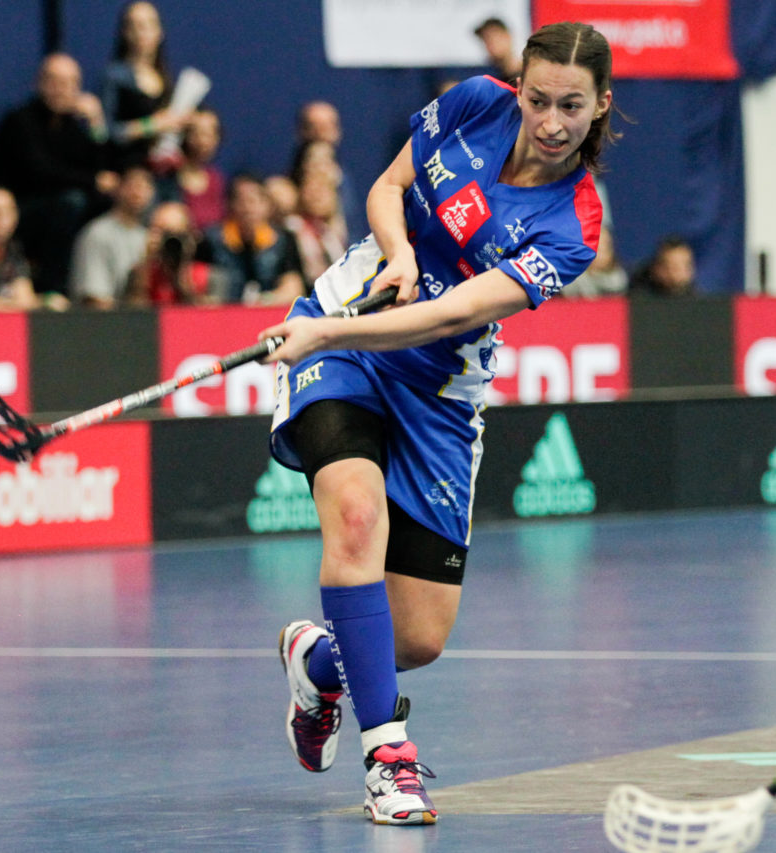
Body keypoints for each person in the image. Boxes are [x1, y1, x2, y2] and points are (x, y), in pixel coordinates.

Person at [259, 21, 615, 825]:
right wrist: (398, 254)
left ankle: (317, 660)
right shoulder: (471, 104)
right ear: (516, 87)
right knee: (355, 516)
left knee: (415, 638)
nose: (551, 122)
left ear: (600, 106)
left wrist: (328, 330)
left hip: (436, 389)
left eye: (571, 105)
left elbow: (451, 314)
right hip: (349, 332)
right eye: (538, 99)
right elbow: (388, 186)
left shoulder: (573, 226)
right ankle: (389, 756)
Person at [0, 53, 116, 298]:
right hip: (15, 212)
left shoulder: (74, 126)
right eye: (54, 81)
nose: (61, 90)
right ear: (39, 83)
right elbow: (39, 171)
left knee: (104, 203)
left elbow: (99, 172)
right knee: (71, 202)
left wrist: (97, 126)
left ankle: (97, 290)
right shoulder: (20, 120)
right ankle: (52, 288)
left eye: (69, 83)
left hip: (58, 211)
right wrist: (91, 181)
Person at [102, 1, 189, 171]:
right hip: (126, 171)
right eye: (134, 26)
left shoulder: (165, 79)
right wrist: (153, 125)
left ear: (160, 32)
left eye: (149, 25)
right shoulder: (114, 76)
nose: (141, 32)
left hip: (162, 171)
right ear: (124, 32)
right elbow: (107, 132)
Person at [201, 173, 305, 305]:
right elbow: (199, 288)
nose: (248, 208)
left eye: (254, 201)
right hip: (223, 315)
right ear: (230, 205)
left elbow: (293, 288)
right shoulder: (211, 240)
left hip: (267, 314)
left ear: (267, 206)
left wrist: (265, 301)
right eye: (241, 201)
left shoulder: (283, 240)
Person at [69, 166, 156, 309]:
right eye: (133, 186)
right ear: (118, 189)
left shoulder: (148, 236)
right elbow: (94, 298)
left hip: (144, 321)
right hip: (104, 324)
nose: (138, 193)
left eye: (145, 187)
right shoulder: (98, 233)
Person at [295, 101, 363, 243]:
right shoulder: (284, 189)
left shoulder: (344, 180)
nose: (320, 133)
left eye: (326, 127)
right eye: (313, 126)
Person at [125, 200, 214, 305]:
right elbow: (132, 316)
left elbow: (211, 317)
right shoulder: (139, 275)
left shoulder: (210, 277)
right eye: (159, 232)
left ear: (191, 236)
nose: (168, 241)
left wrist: (182, 275)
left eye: (174, 234)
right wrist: (146, 265)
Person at [156, 108, 226, 231]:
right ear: (185, 135)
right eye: (198, 133)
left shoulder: (216, 180)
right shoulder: (167, 173)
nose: (204, 140)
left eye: (211, 133)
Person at [284, 172, 348, 284]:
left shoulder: (329, 231)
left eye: (322, 189)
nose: (316, 196)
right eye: (310, 190)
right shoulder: (292, 227)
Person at [629, 235, 696, 297]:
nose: (677, 273)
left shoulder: (698, 303)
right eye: (671, 267)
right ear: (656, 268)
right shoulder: (636, 300)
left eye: (684, 266)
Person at [475, 17, 523, 83]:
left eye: (494, 38)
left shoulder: (528, 74)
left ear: (508, 37)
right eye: (485, 40)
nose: (491, 45)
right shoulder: (493, 77)